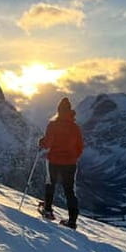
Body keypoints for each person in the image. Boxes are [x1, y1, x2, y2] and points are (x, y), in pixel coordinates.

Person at [39, 97, 84, 228]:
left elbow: (47, 143)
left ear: (58, 110)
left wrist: (41, 142)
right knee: (69, 190)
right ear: (70, 111)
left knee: (50, 184)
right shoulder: (75, 128)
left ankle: (47, 210)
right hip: (70, 163)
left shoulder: (53, 125)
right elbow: (80, 146)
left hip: (54, 160)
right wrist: (73, 157)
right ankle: (72, 220)